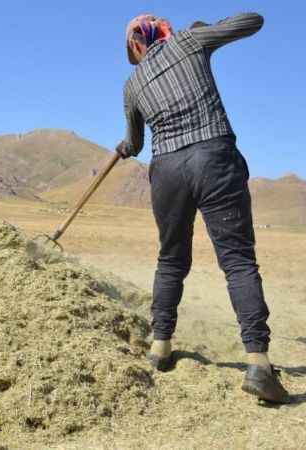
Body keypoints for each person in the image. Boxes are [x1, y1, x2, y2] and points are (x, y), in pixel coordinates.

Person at [116, 12, 289, 403]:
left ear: (136, 45)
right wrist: (204, 28)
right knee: (238, 261)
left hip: (167, 171)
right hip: (212, 156)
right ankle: (259, 363)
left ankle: (159, 346)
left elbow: (135, 143)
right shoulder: (190, 42)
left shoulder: (133, 84)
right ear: (162, 32)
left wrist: (125, 147)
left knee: (171, 260)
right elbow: (255, 20)